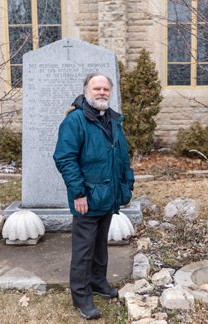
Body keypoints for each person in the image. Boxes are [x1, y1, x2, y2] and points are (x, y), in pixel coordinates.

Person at [53, 73, 134, 320]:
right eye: (96, 88)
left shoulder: (112, 120)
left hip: (107, 196)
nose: (101, 92)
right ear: (86, 90)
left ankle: (98, 283)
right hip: (87, 198)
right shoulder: (75, 121)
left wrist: (126, 185)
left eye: (105, 89)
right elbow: (64, 158)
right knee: (83, 250)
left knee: (100, 246)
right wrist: (78, 193)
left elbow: (122, 156)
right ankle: (81, 296)